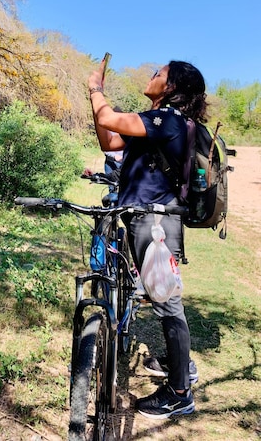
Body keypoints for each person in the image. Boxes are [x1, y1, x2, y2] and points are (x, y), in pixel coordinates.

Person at [88, 60, 208, 419]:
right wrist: (97, 104)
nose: (152, 75)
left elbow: (110, 119)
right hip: (145, 216)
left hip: (154, 220)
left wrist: (96, 88)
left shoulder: (167, 120)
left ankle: (179, 392)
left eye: (159, 73)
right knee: (161, 297)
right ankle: (180, 367)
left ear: (172, 87)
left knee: (168, 302)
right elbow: (109, 138)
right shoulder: (157, 123)